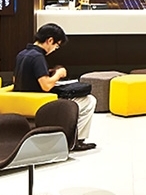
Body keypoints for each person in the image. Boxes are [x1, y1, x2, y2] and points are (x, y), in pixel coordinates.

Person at [14, 23, 97, 151]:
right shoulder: (38, 57)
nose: (54, 49)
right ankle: (76, 140)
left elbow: (16, 79)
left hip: (23, 100)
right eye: (56, 46)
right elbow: (46, 86)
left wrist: (47, 73)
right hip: (41, 102)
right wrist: (59, 74)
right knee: (89, 100)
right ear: (50, 40)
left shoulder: (22, 54)